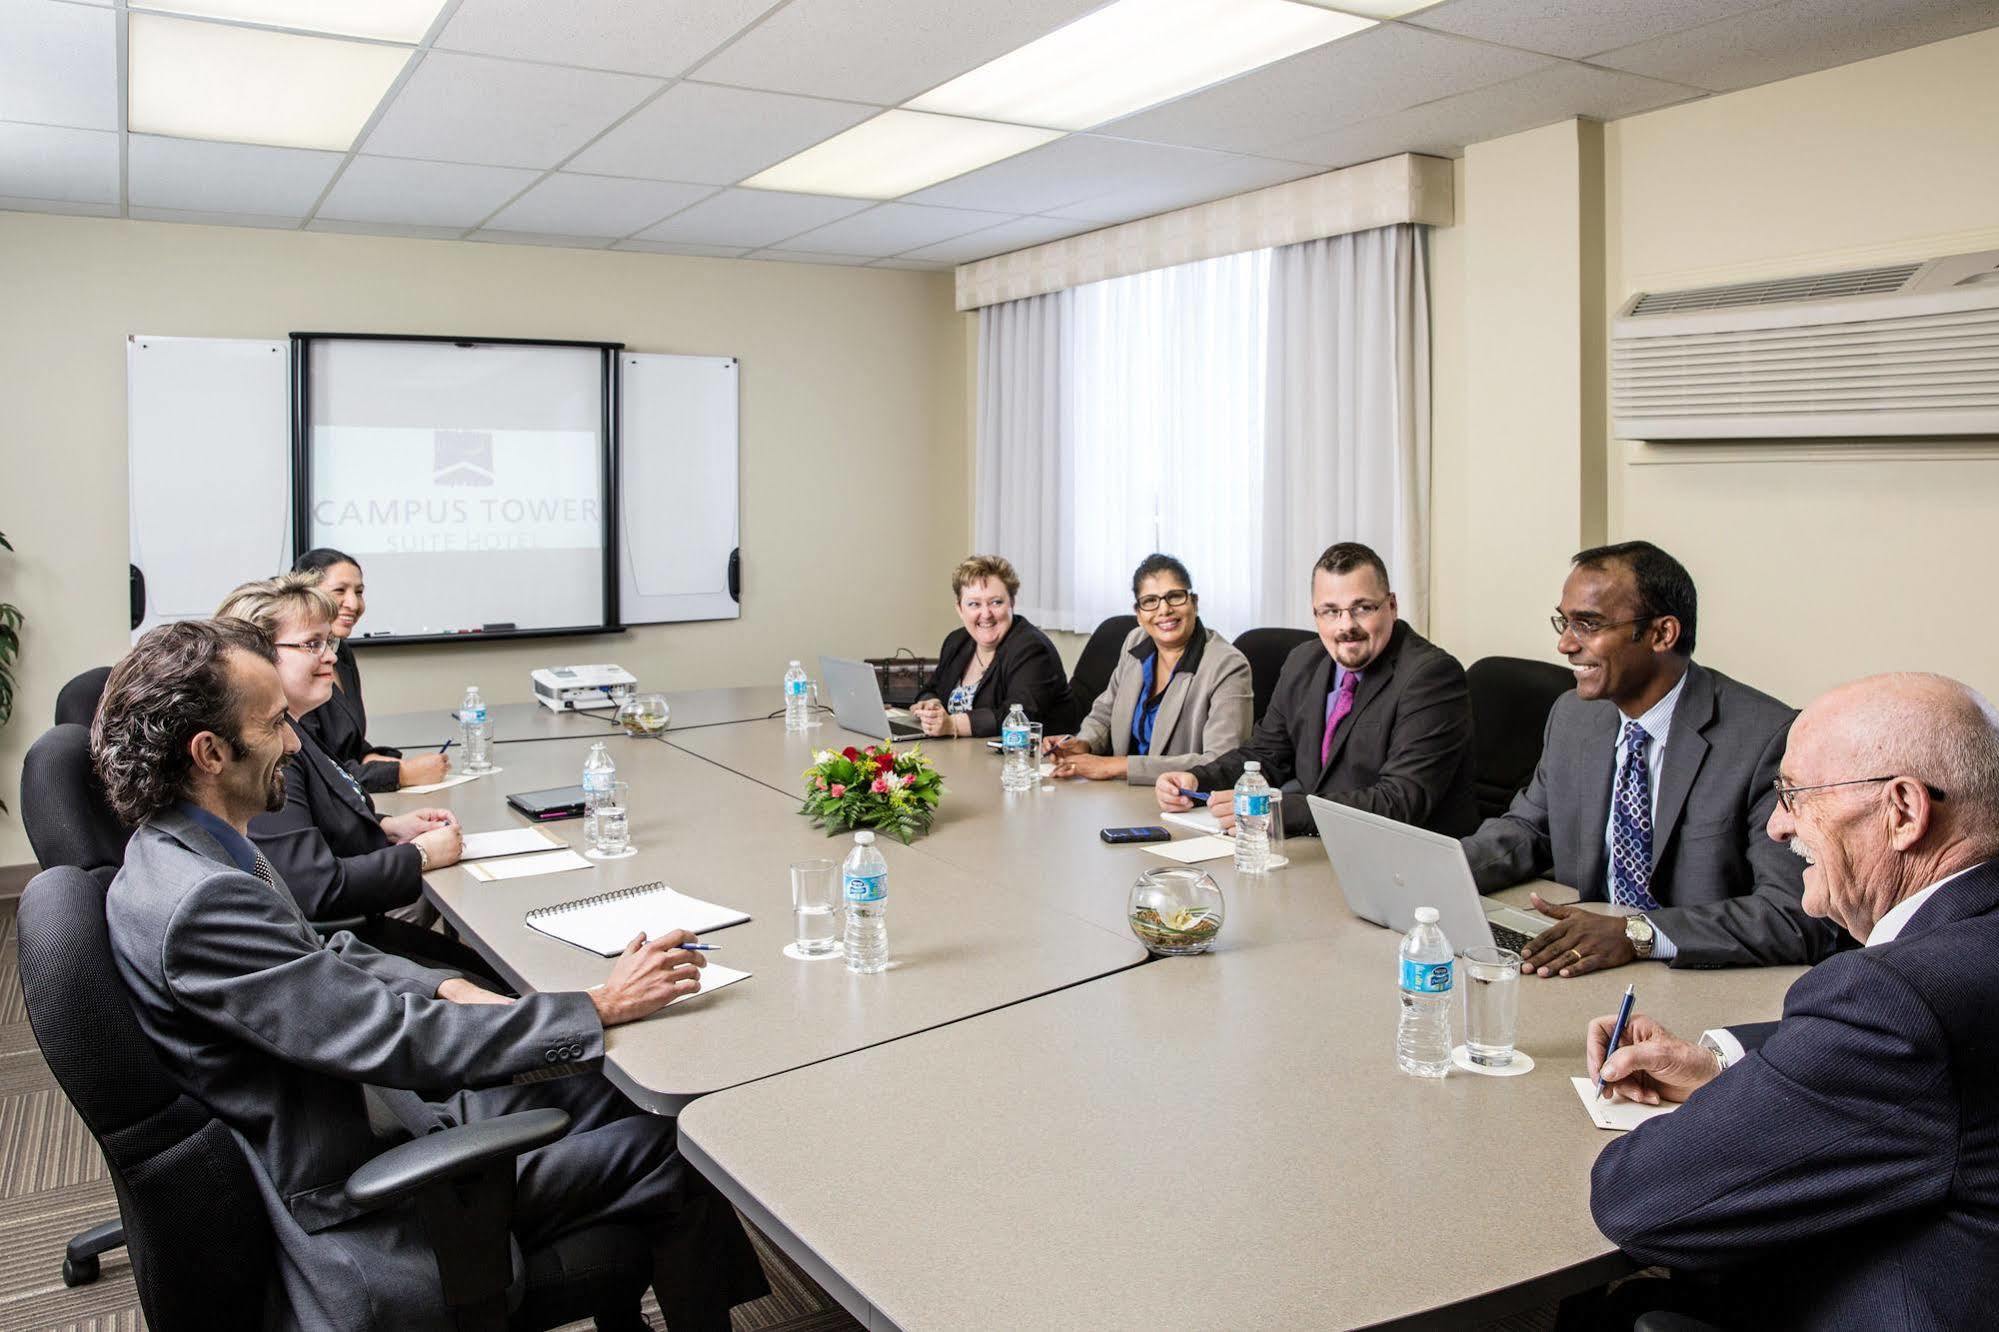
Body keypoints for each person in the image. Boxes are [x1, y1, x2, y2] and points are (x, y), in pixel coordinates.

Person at [92, 618, 767, 1330]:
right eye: (274, 725)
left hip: (369, 1109)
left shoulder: (185, 849)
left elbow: (318, 957)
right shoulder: (203, 899)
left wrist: (441, 984)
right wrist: (597, 1004)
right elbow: (395, 1041)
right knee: (677, 1151)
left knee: (604, 1089)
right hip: (370, 1186)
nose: (294, 741)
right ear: (209, 752)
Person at [1578, 673, 1999, 1328]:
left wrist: (1730, 1112)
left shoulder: (1892, 998)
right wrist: (1726, 1069)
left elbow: (1640, 1202)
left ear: (1903, 812)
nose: (1776, 827)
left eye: (1794, 795)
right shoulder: (1956, 960)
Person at [1460, 541, 1841, 974]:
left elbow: (1795, 915)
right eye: (1564, 623)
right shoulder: (1574, 716)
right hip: (1585, 966)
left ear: (1662, 634)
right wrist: (1442, 874)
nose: (1566, 645)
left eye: (1588, 624)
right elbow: (1529, 828)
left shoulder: (1764, 738)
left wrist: (1637, 933)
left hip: (1696, 978)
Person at [215, 575, 470, 967]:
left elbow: (318, 814)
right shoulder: (264, 752)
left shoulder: (294, 728)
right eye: (312, 645)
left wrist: (385, 826)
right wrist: (420, 855)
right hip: (335, 950)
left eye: (329, 642)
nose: (331, 657)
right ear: (257, 657)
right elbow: (315, 886)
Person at [1155, 542, 1476, 838]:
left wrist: (1282, 810)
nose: (1345, 625)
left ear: (1391, 606)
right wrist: (1198, 779)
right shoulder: (1303, 662)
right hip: (1316, 848)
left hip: (1402, 862)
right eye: (1331, 611)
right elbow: (1266, 754)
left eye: (1362, 607)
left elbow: (1401, 800)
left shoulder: (1431, 676)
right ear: (1316, 614)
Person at [1048, 554, 1252, 784]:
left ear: (1193, 602)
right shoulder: (1136, 642)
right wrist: (1083, 743)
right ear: (1139, 613)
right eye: (1150, 601)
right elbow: (1106, 712)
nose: (1163, 610)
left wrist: (1115, 766)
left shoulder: (1228, 665)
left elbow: (1223, 761)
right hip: (1121, 795)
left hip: (1183, 801)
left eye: (1175, 597)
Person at [293, 547, 448, 793]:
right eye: (339, 591)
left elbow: (346, 744)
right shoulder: (293, 665)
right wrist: (402, 773)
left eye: (359, 592)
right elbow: (317, 771)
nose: (353, 603)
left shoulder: (341, 652)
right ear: (307, 595)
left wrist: (370, 757)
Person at [911, 554, 1077, 738]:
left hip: (1028, 760)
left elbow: (1019, 717)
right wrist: (930, 705)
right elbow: (933, 688)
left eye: (996, 602)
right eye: (974, 604)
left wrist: (953, 725)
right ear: (959, 608)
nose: (986, 614)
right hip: (966, 755)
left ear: (1012, 602)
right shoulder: (957, 641)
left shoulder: (1032, 649)